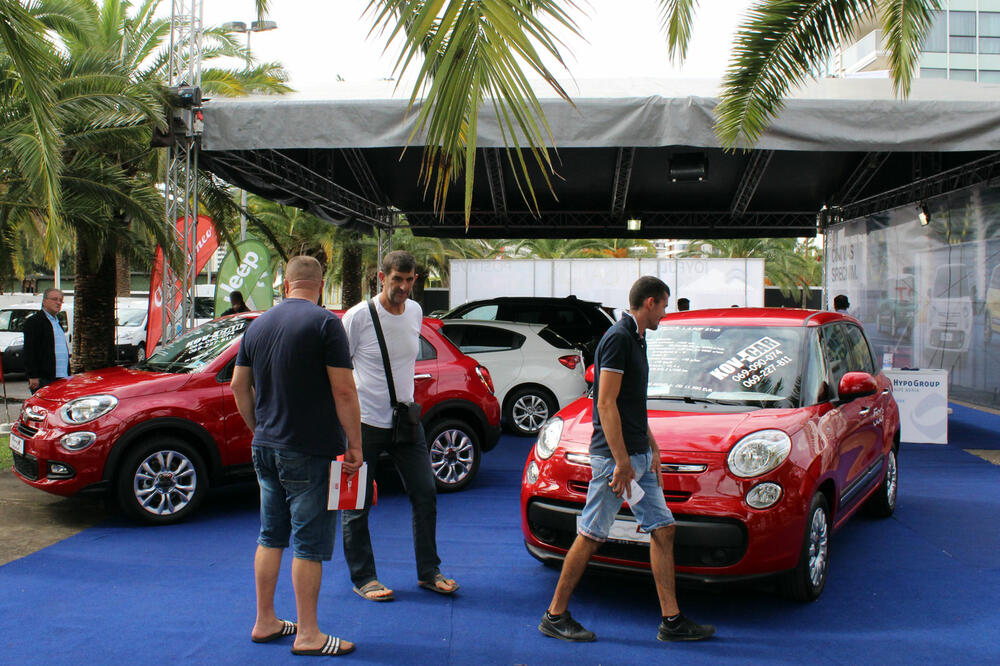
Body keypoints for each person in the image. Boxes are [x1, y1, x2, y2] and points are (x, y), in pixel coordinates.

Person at [539, 276, 715, 644]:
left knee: (663, 529)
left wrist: (650, 447)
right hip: (616, 460)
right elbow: (605, 403)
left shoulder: (637, 337)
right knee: (591, 534)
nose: (666, 314)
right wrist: (622, 462)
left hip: (635, 455)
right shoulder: (619, 338)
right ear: (649, 302)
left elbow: (632, 402)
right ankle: (555, 615)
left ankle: (671, 620)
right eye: (664, 306)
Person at [232, 255, 363, 657]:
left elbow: (240, 386)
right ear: (320, 285)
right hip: (309, 449)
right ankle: (308, 634)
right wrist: (355, 445)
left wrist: (259, 430)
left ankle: (265, 620)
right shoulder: (325, 324)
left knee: (270, 535)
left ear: (285, 284)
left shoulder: (258, 325)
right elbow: (344, 391)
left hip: (266, 448)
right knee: (308, 543)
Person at [340, 250, 458, 602]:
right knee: (356, 504)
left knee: (426, 493)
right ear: (381, 277)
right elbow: (338, 373)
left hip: (406, 421)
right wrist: (344, 430)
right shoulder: (358, 317)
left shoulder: (416, 312)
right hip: (364, 423)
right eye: (397, 280)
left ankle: (428, 572)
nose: (404, 287)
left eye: (409, 281)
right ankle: (364, 578)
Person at [23, 289, 71, 394]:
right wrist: (32, 375)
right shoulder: (35, 322)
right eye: (55, 299)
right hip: (44, 378)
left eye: (60, 300)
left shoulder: (57, 322)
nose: (58, 303)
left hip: (62, 377)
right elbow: (29, 350)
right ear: (44, 301)